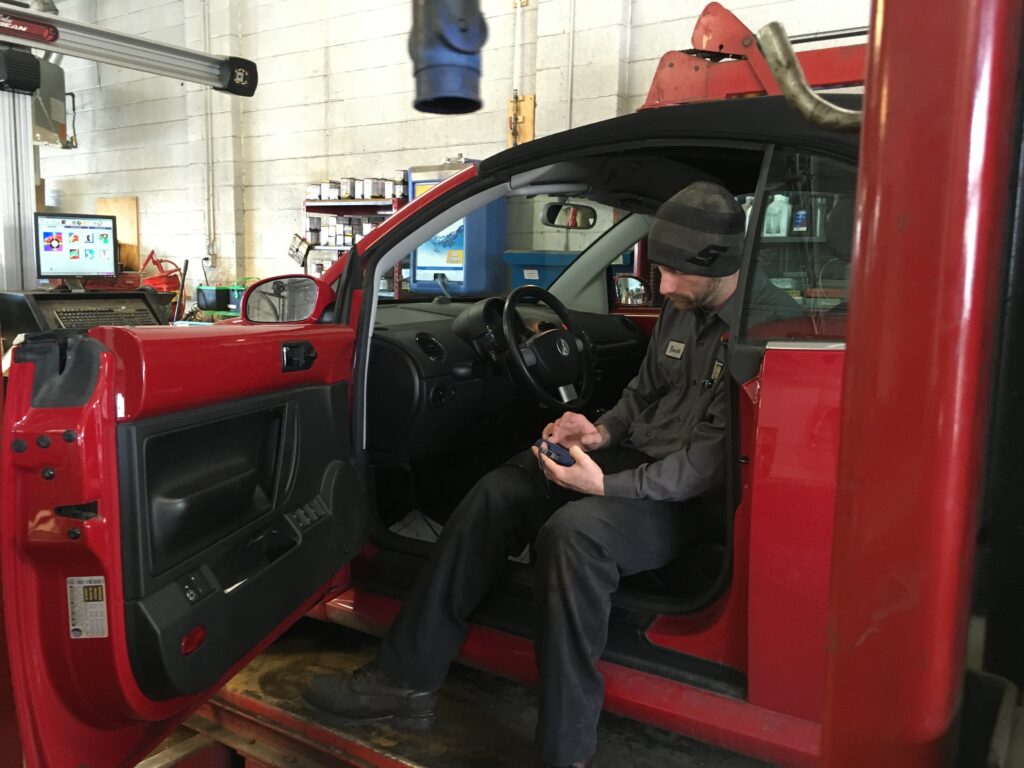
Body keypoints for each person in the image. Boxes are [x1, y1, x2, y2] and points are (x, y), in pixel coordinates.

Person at [302, 181, 801, 768]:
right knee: (500, 489)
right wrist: (598, 433)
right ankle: (402, 680)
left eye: (674, 275)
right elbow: (643, 394)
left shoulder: (765, 328)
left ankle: (564, 751)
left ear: (721, 265)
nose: (662, 288)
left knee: (574, 535)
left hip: (690, 498)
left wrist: (605, 487)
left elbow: (705, 467)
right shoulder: (680, 307)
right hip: (637, 460)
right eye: (658, 272)